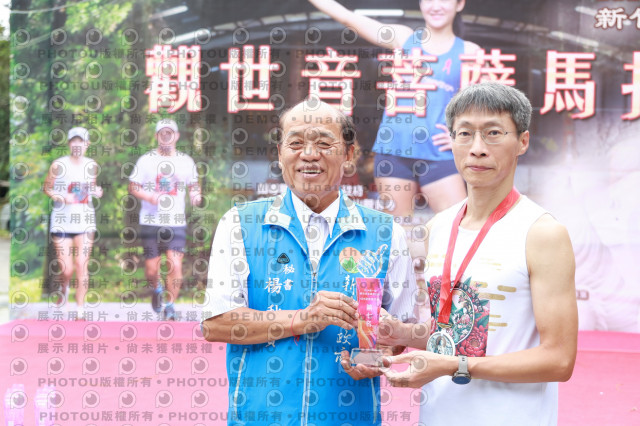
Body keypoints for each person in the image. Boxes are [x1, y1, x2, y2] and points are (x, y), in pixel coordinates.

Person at [201, 100, 419, 425]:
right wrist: (303, 319)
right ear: (280, 153)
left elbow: (400, 331)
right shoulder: (240, 224)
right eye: (296, 143)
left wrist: (378, 357)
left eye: (323, 143)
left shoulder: (386, 233)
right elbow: (216, 323)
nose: (309, 154)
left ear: (348, 154)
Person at [376, 82, 578, 425]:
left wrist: (456, 366)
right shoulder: (438, 227)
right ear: (451, 141)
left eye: (494, 133)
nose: (478, 149)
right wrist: (404, 335)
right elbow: (455, 332)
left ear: (523, 141)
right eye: (465, 134)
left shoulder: (542, 233)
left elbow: (559, 360)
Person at [308, 0, 479, 217]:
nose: (436, 6)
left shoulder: (469, 52)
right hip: (394, 152)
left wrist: (463, 137)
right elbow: (346, 17)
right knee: (398, 231)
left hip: (439, 153)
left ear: (459, 4)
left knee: (456, 226)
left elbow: (483, 110)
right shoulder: (404, 38)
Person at [128, 119, 201, 320]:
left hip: (176, 222)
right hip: (150, 221)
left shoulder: (186, 161)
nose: (166, 137)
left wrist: (196, 196)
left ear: (176, 136)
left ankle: (170, 306)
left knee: (175, 265)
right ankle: (157, 290)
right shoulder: (146, 161)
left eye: (170, 133)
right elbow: (133, 186)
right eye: (163, 133)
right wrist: (150, 196)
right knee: (151, 270)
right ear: (157, 136)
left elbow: (194, 185)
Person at [43, 127, 103, 320]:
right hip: (62, 222)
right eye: (74, 141)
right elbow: (47, 188)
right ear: (69, 144)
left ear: (87, 144)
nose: (77, 145)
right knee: (67, 268)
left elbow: (90, 187)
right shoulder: (58, 164)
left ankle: (80, 309)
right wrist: (61, 197)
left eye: (81, 141)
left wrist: (96, 191)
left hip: (85, 221)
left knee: (81, 264)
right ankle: (63, 288)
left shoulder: (91, 165)